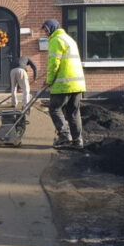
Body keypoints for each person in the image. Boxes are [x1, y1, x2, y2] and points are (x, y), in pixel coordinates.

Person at [41, 18, 86, 148]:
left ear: (52, 29)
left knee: (54, 109)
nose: (45, 33)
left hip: (64, 84)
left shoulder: (56, 40)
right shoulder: (69, 39)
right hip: (77, 84)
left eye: (46, 30)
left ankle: (64, 135)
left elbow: (54, 63)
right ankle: (78, 141)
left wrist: (49, 80)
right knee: (73, 112)